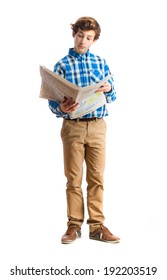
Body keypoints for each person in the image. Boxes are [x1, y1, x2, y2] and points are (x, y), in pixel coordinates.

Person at [48, 16, 120, 244]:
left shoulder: (101, 62)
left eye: (88, 38)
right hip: (73, 127)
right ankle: (73, 226)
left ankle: (97, 227)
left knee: (97, 178)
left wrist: (109, 88)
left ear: (94, 40)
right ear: (74, 35)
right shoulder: (62, 65)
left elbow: (114, 96)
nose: (83, 41)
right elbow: (52, 100)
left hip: (98, 126)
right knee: (73, 179)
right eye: (80, 36)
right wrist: (60, 106)